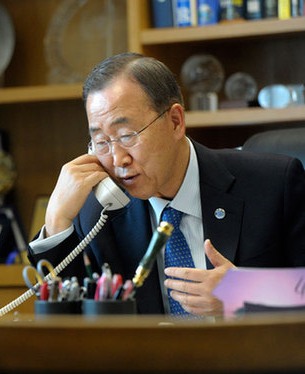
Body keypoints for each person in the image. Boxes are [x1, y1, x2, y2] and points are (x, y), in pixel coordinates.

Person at [28, 52, 305, 317]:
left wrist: (246, 293)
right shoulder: (99, 213)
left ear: (175, 121)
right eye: (101, 142)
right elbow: (73, 328)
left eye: (126, 135)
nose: (117, 159)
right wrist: (56, 220)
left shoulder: (273, 183)